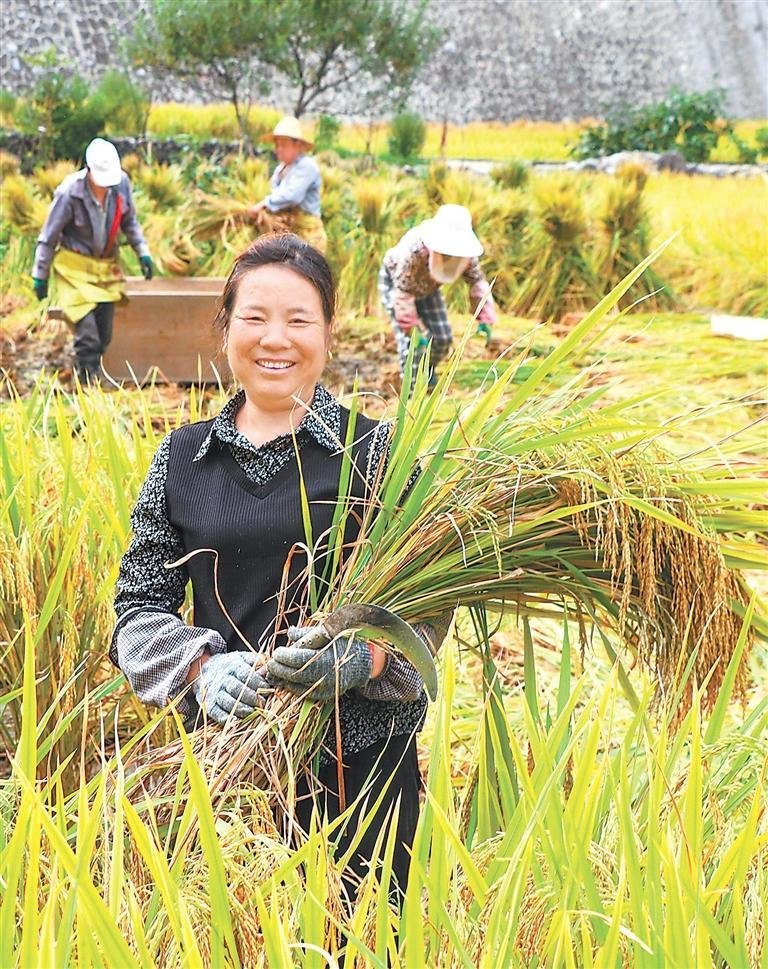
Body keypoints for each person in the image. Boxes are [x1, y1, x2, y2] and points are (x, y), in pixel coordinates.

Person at [111, 234, 446, 905]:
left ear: (327, 334)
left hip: (365, 768)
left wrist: (367, 658)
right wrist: (204, 670)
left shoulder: (378, 450)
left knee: (365, 933)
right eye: (255, 317)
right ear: (225, 328)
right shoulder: (182, 459)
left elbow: (432, 606)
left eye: (298, 319)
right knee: (232, 930)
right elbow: (136, 610)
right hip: (229, 764)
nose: (275, 339)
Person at [31, 137, 154, 383]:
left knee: (104, 332)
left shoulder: (121, 185)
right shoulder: (69, 193)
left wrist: (142, 251)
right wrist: (40, 275)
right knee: (87, 333)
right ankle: (87, 384)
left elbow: (130, 222)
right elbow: (48, 237)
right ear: (88, 170)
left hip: (104, 268)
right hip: (73, 269)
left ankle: (94, 371)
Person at [379, 204, 497, 386]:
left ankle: (427, 369)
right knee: (411, 344)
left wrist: (485, 317)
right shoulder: (414, 250)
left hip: (429, 289)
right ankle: (411, 388)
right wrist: (411, 328)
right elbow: (402, 294)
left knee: (442, 338)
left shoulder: (466, 255)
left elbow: (477, 282)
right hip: (397, 287)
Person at [248, 116, 327, 252]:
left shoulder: (307, 166)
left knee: (305, 262)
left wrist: (263, 204)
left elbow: (292, 195)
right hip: (288, 231)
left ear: (298, 145)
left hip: (307, 232)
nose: (278, 149)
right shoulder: (281, 169)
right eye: (277, 145)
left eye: (283, 145)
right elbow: (275, 193)